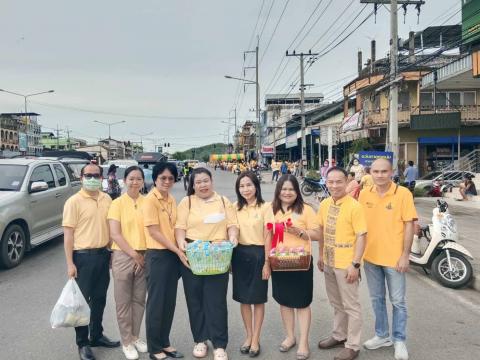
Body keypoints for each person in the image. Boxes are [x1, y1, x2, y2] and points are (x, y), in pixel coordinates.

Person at [175, 168, 239, 360]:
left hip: (218, 255)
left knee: (216, 301)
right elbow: (180, 226)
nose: (202, 185)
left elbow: (232, 224)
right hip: (194, 254)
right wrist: (181, 243)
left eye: (205, 181)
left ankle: (219, 344)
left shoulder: (223, 201)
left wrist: (233, 237)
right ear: (192, 185)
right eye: (198, 182)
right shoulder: (186, 202)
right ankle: (200, 340)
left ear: (212, 181)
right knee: (194, 299)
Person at [358, 158, 417, 360]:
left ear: (391, 172)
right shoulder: (364, 194)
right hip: (371, 257)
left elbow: (409, 225)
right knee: (376, 300)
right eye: (376, 171)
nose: (380, 175)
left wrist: (405, 255)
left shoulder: (403, 194)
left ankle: (399, 340)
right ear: (370, 173)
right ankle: (382, 335)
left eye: (384, 171)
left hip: (394, 259)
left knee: (398, 302)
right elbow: (359, 227)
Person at [62, 163, 120, 360]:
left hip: (103, 255)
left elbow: (111, 229)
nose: (92, 178)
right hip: (82, 257)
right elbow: (68, 235)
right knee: (81, 302)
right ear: (81, 177)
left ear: (102, 177)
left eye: (96, 175)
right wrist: (70, 263)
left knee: (100, 299)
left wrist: (112, 252)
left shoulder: (106, 199)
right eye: (88, 175)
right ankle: (83, 343)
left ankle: (96, 335)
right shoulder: (74, 202)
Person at [317, 167, 367, 360]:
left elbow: (362, 236)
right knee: (337, 303)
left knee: (351, 306)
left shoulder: (355, 206)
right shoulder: (325, 204)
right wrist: (321, 255)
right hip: (329, 262)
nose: (334, 185)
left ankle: (353, 345)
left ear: (347, 182)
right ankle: (339, 335)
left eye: (339, 181)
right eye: (330, 182)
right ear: (326, 182)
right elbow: (321, 231)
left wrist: (355, 264)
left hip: (346, 265)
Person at [271, 175, 320, 360]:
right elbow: (266, 233)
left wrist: (300, 232)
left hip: (300, 263)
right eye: (283, 189)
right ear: (278, 191)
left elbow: (317, 234)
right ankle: (290, 337)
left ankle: (303, 342)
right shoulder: (272, 209)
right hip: (279, 262)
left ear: (297, 191)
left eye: (291, 189)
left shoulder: (305, 210)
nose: (287, 192)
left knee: (302, 303)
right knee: (284, 301)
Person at [144, 162, 188, 360]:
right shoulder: (150, 201)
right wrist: (177, 250)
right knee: (156, 303)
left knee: (169, 302)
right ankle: (154, 348)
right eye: (163, 178)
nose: (167, 181)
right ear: (155, 179)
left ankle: (165, 342)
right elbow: (154, 232)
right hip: (158, 255)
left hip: (172, 254)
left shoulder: (171, 199)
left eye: (171, 178)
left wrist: (180, 248)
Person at [108, 166, 148, 360]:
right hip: (123, 255)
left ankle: (135, 336)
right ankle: (126, 341)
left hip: (144, 255)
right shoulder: (117, 203)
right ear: (124, 181)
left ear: (142, 182)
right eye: (131, 178)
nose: (135, 182)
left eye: (138, 179)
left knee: (139, 299)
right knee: (123, 302)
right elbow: (115, 233)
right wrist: (134, 254)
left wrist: (142, 255)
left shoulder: (147, 202)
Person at [232, 171, 274, 358]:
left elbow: (268, 236)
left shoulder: (266, 207)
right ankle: (248, 336)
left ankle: (256, 338)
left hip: (259, 255)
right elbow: (230, 232)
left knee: (257, 299)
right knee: (243, 299)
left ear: (256, 186)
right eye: (242, 186)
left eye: (249, 185)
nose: (245, 189)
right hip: (239, 255)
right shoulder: (235, 207)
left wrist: (267, 262)